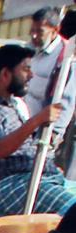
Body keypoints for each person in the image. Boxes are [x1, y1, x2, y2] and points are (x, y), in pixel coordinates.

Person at [0, 43, 76, 215]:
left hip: (37, 179)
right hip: (13, 184)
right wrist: (37, 120)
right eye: (25, 69)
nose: (31, 75)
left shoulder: (11, 106)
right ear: (5, 74)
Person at [27, 8, 76, 143]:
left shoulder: (66, 58)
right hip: (23, 126)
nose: (34, 36)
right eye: (32, 30)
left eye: (40, 32)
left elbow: (66, 100)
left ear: (55, 30)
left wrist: (54, 134)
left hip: (41, 132)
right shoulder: (30, 49)